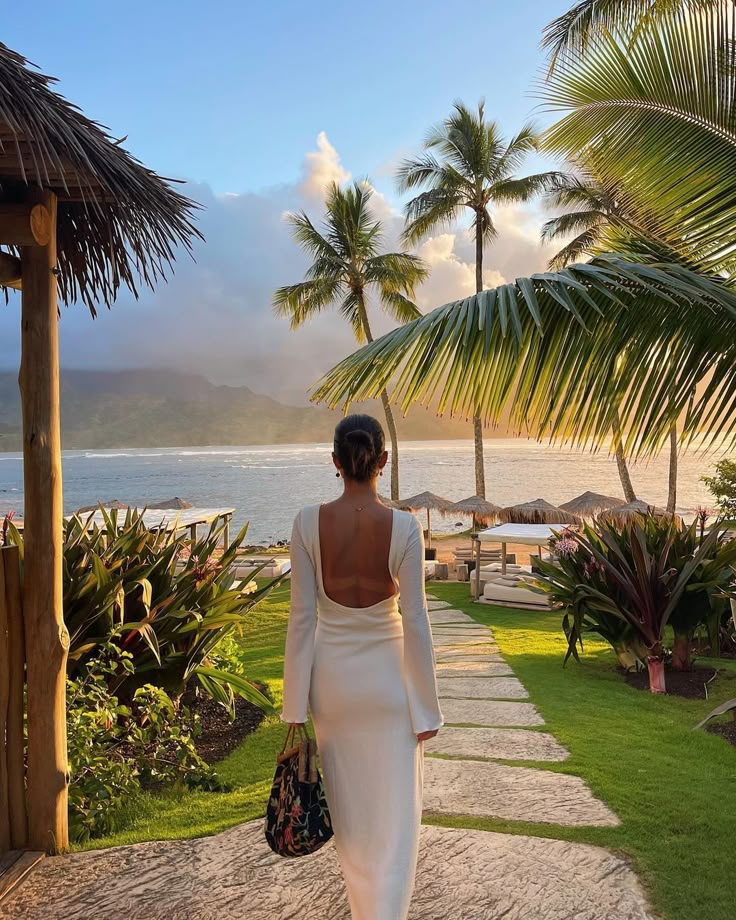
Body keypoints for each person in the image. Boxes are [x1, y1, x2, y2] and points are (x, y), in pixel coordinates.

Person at [281, 414, 444, 919]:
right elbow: (415, 620)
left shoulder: (307, 522)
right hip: (390, 689)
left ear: (336, 462)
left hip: (335, 691)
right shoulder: (404, 528)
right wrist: (426, 710)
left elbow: (302, 619)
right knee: (396, 818)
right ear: (383, 461)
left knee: (351, 820)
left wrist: (294, 707)